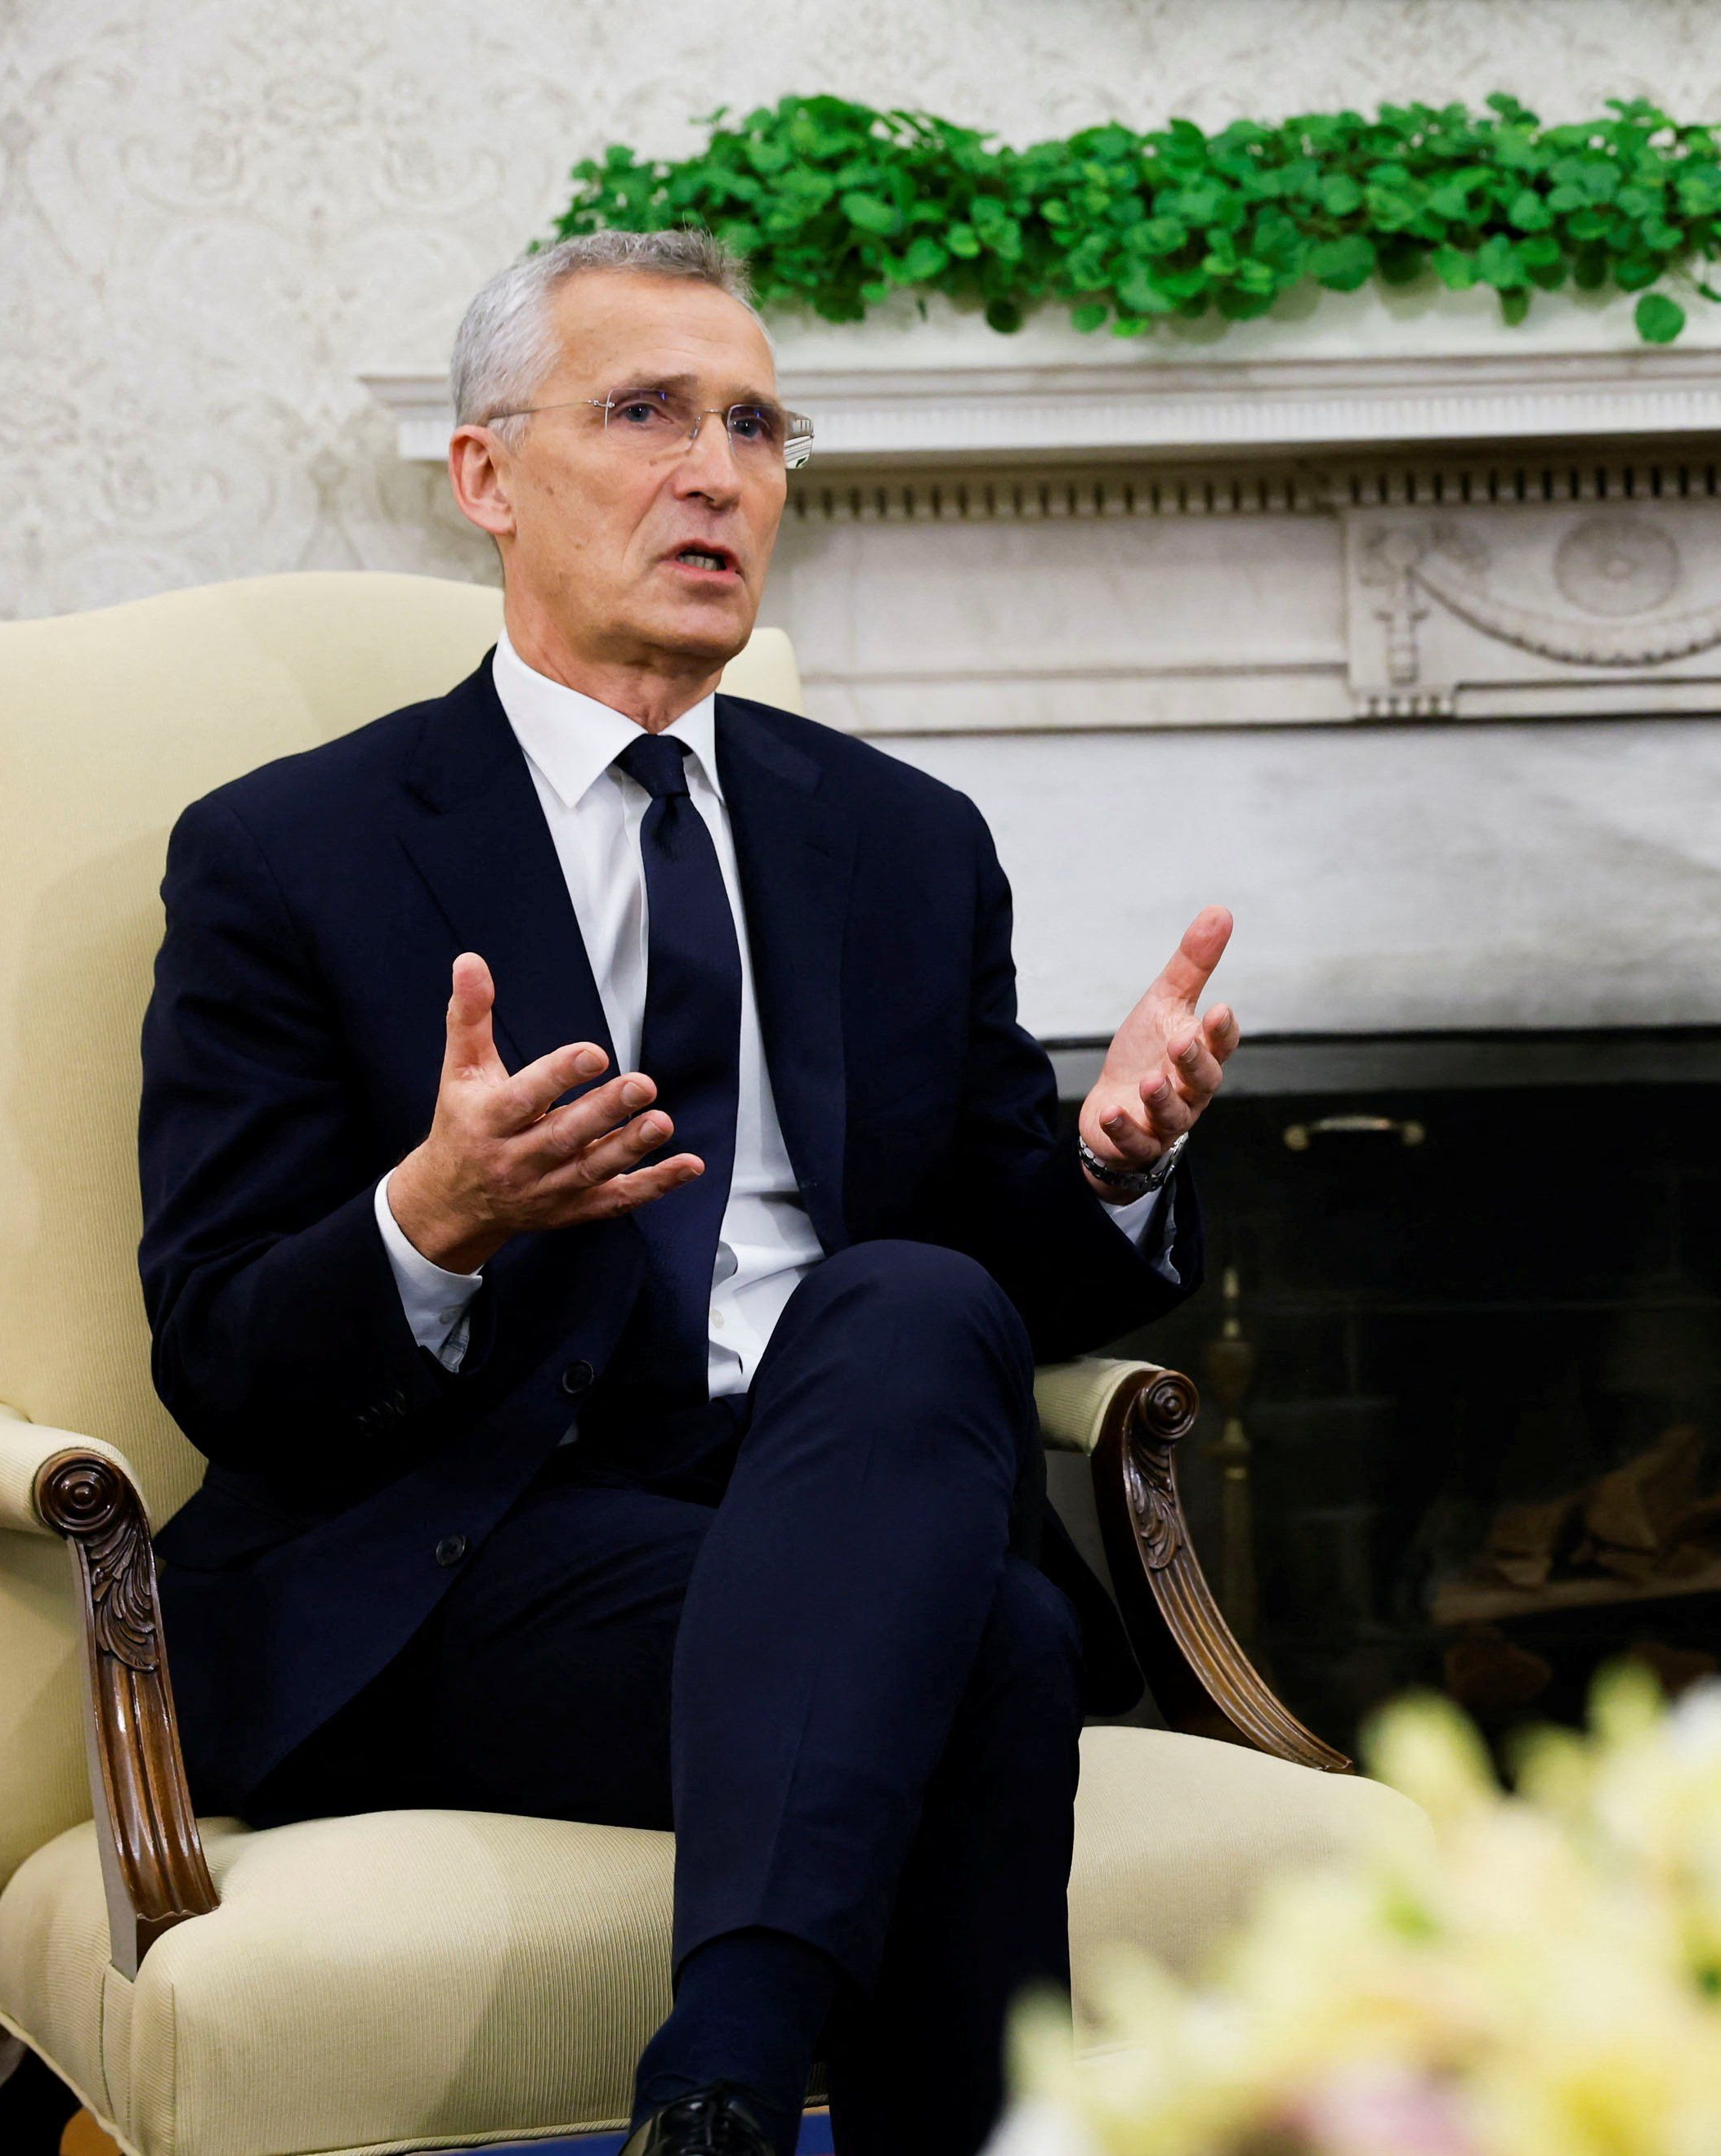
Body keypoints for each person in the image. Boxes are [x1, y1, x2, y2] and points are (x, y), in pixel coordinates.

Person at [136, 230, 1241, 2156]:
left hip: (834, 1486)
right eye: (645, 412)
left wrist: (1106, 1166)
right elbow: (218, 1350)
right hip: (480, 1559)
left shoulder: (898, 840)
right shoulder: (287, 853)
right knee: (996, 1647)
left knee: (903, 1301)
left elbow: (1005, 1275)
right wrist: (434, 1217)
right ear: (486, 474)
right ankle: (747, 2068)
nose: (715, 471)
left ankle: (722, 2072)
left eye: (755, 424)